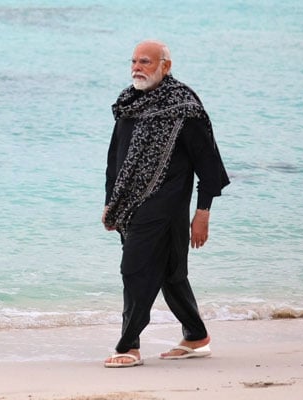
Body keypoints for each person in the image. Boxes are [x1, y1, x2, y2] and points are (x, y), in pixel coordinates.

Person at [101, 40, 229, 368]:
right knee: (172, 274)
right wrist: (109, 202)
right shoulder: (128, 103)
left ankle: (128, 345)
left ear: (165, 66)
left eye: (145, 61)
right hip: (130, 206)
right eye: (133, 61)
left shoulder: (184, 106)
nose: (137, 68)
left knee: (134, 269)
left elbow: (209, 165)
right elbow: (115, 158)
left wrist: (203, 213)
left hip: (167, 206)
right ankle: (196, 337)